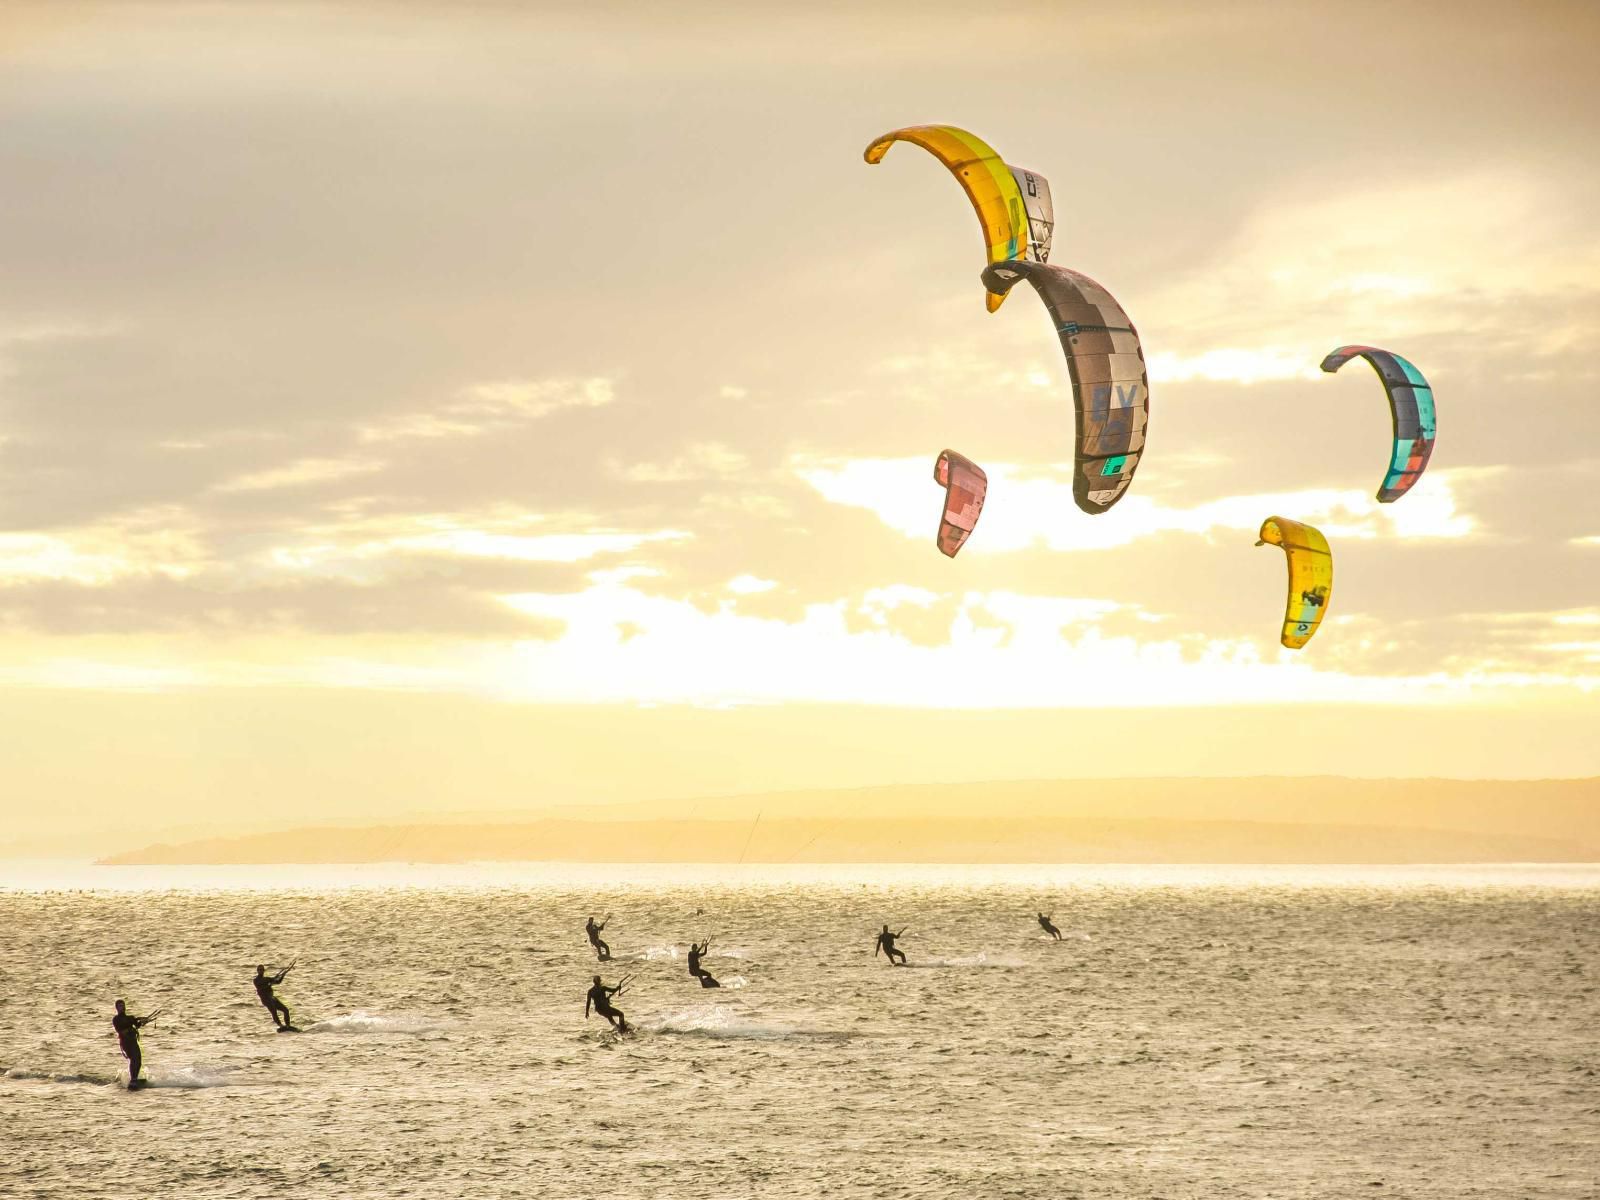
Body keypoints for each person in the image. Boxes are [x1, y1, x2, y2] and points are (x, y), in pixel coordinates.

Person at [111, 999, 158, 1088]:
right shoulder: (116, 1019)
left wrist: (142, 1022)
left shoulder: (130, 1017)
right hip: (125, 1042)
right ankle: (133, 1080)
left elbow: (136, 1025)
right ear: (117, 1008)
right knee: (134, 1058)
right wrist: (134, 1023)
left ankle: (135, 1078)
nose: (122, 1007)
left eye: (123, 1005)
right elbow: (121, 1030)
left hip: (133, 1041)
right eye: (120, 1006)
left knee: (139, 1060)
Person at [254, 962, 296, 1030]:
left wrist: (283, 974)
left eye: (262, 969)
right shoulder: (256, 980)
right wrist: (270, 982)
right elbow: (261, 985)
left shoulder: (267, 979)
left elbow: (278, 982)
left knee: (286, 1010)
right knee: (274, 1011)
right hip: (266, 1000)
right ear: (257, 971)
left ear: (264, 971)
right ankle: (280, 1025)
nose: (260, 971)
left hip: (272, 998)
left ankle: (288, 1026)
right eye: (259, 970)